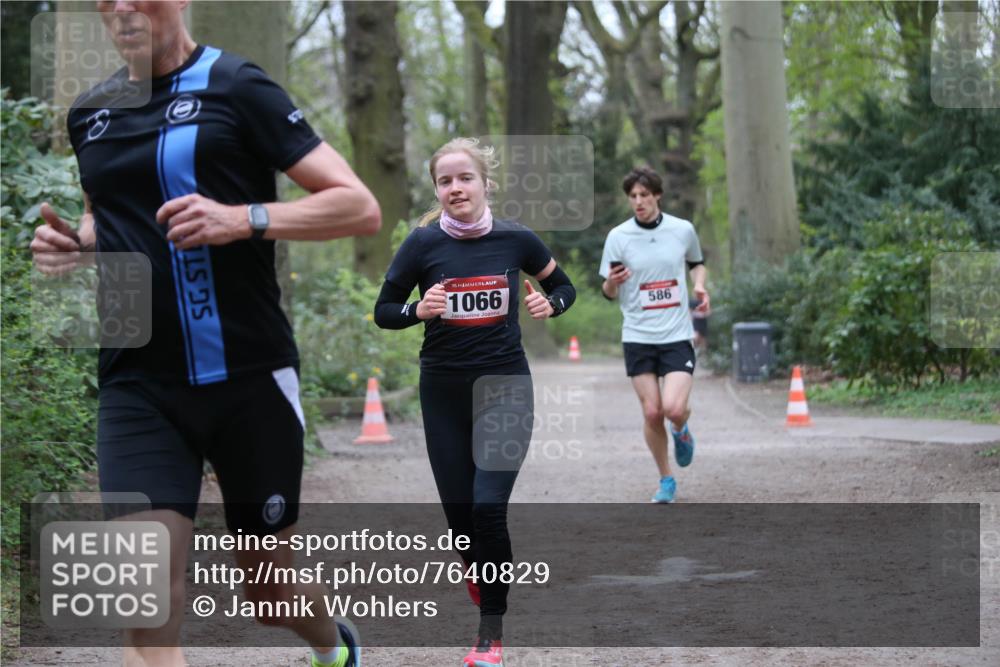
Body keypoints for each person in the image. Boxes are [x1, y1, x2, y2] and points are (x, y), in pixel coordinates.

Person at [29, 2, 379, 666]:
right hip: (138, 384)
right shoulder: (91, 112)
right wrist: (76, 242)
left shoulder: (237, 86)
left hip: (249, 377)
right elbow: (109, 217)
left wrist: (243, 218)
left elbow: (359, 206)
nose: (123, 7)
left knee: (269, 590)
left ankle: (335, 647)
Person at [373, 138, 575, 667]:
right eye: (445, 181)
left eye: (465, 178)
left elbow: (564, 287)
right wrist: (418, 310)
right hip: (442, 393)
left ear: (486, 183)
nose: (456, 188)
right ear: (436, 189)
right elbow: (384, 310)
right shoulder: (422, 245)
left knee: (488, 507)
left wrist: (550, 304)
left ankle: (490, 636)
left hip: (506, 387)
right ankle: (476, 567)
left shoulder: (517, 239)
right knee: (462, 521)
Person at [599, 167, 709, 504]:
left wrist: (700, 285)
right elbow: (608, 292)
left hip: (676, 333)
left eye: (644, 195)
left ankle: (681, 429)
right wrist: (612, 282)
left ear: (657, 195)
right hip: (638, 335)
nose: (638, 202)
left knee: (673, 409)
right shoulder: (618, 237)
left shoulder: (682, 229)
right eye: (633, 196)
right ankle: (666, 479)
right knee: (651, 412)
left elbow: (696, 262)